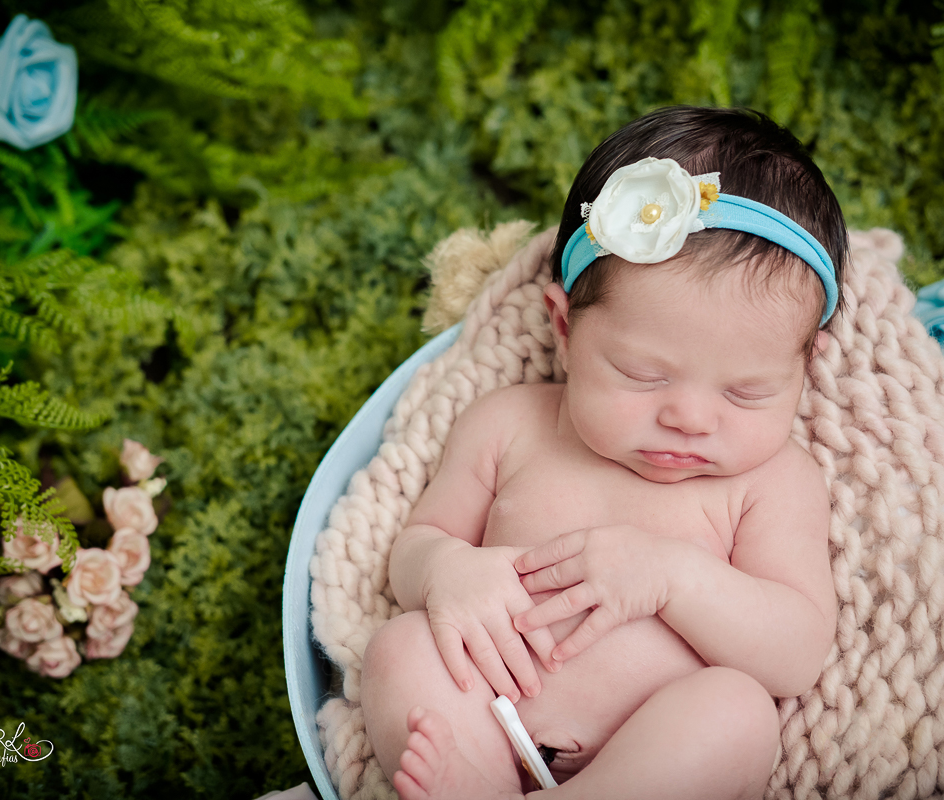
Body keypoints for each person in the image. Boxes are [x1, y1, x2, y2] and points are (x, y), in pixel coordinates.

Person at [360, 105, 847, 800]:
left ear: (807, 365)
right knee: (400, 648)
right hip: (491, 714)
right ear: (564, 328)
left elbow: (795, 650)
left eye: (746, 393)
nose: (688, 418)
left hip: (648, 758)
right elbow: (418, 543)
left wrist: (673, 577)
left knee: (738, 713)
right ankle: (477, 783)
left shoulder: (773, 481)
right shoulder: (510, 423)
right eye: (643, 376)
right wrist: (446, 570)